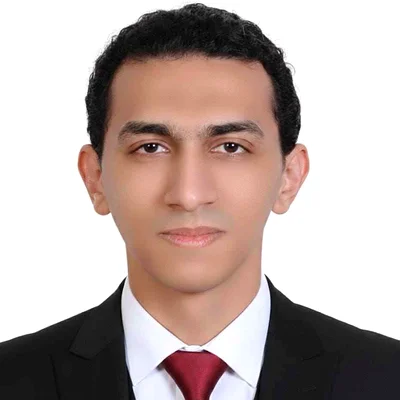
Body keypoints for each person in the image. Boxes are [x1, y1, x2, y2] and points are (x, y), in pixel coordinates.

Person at [1, 3, 399, 399]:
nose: (188, 195)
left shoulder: (387, 378)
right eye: (150, 147)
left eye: (231, 147)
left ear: (289, 177)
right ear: (95, 177)